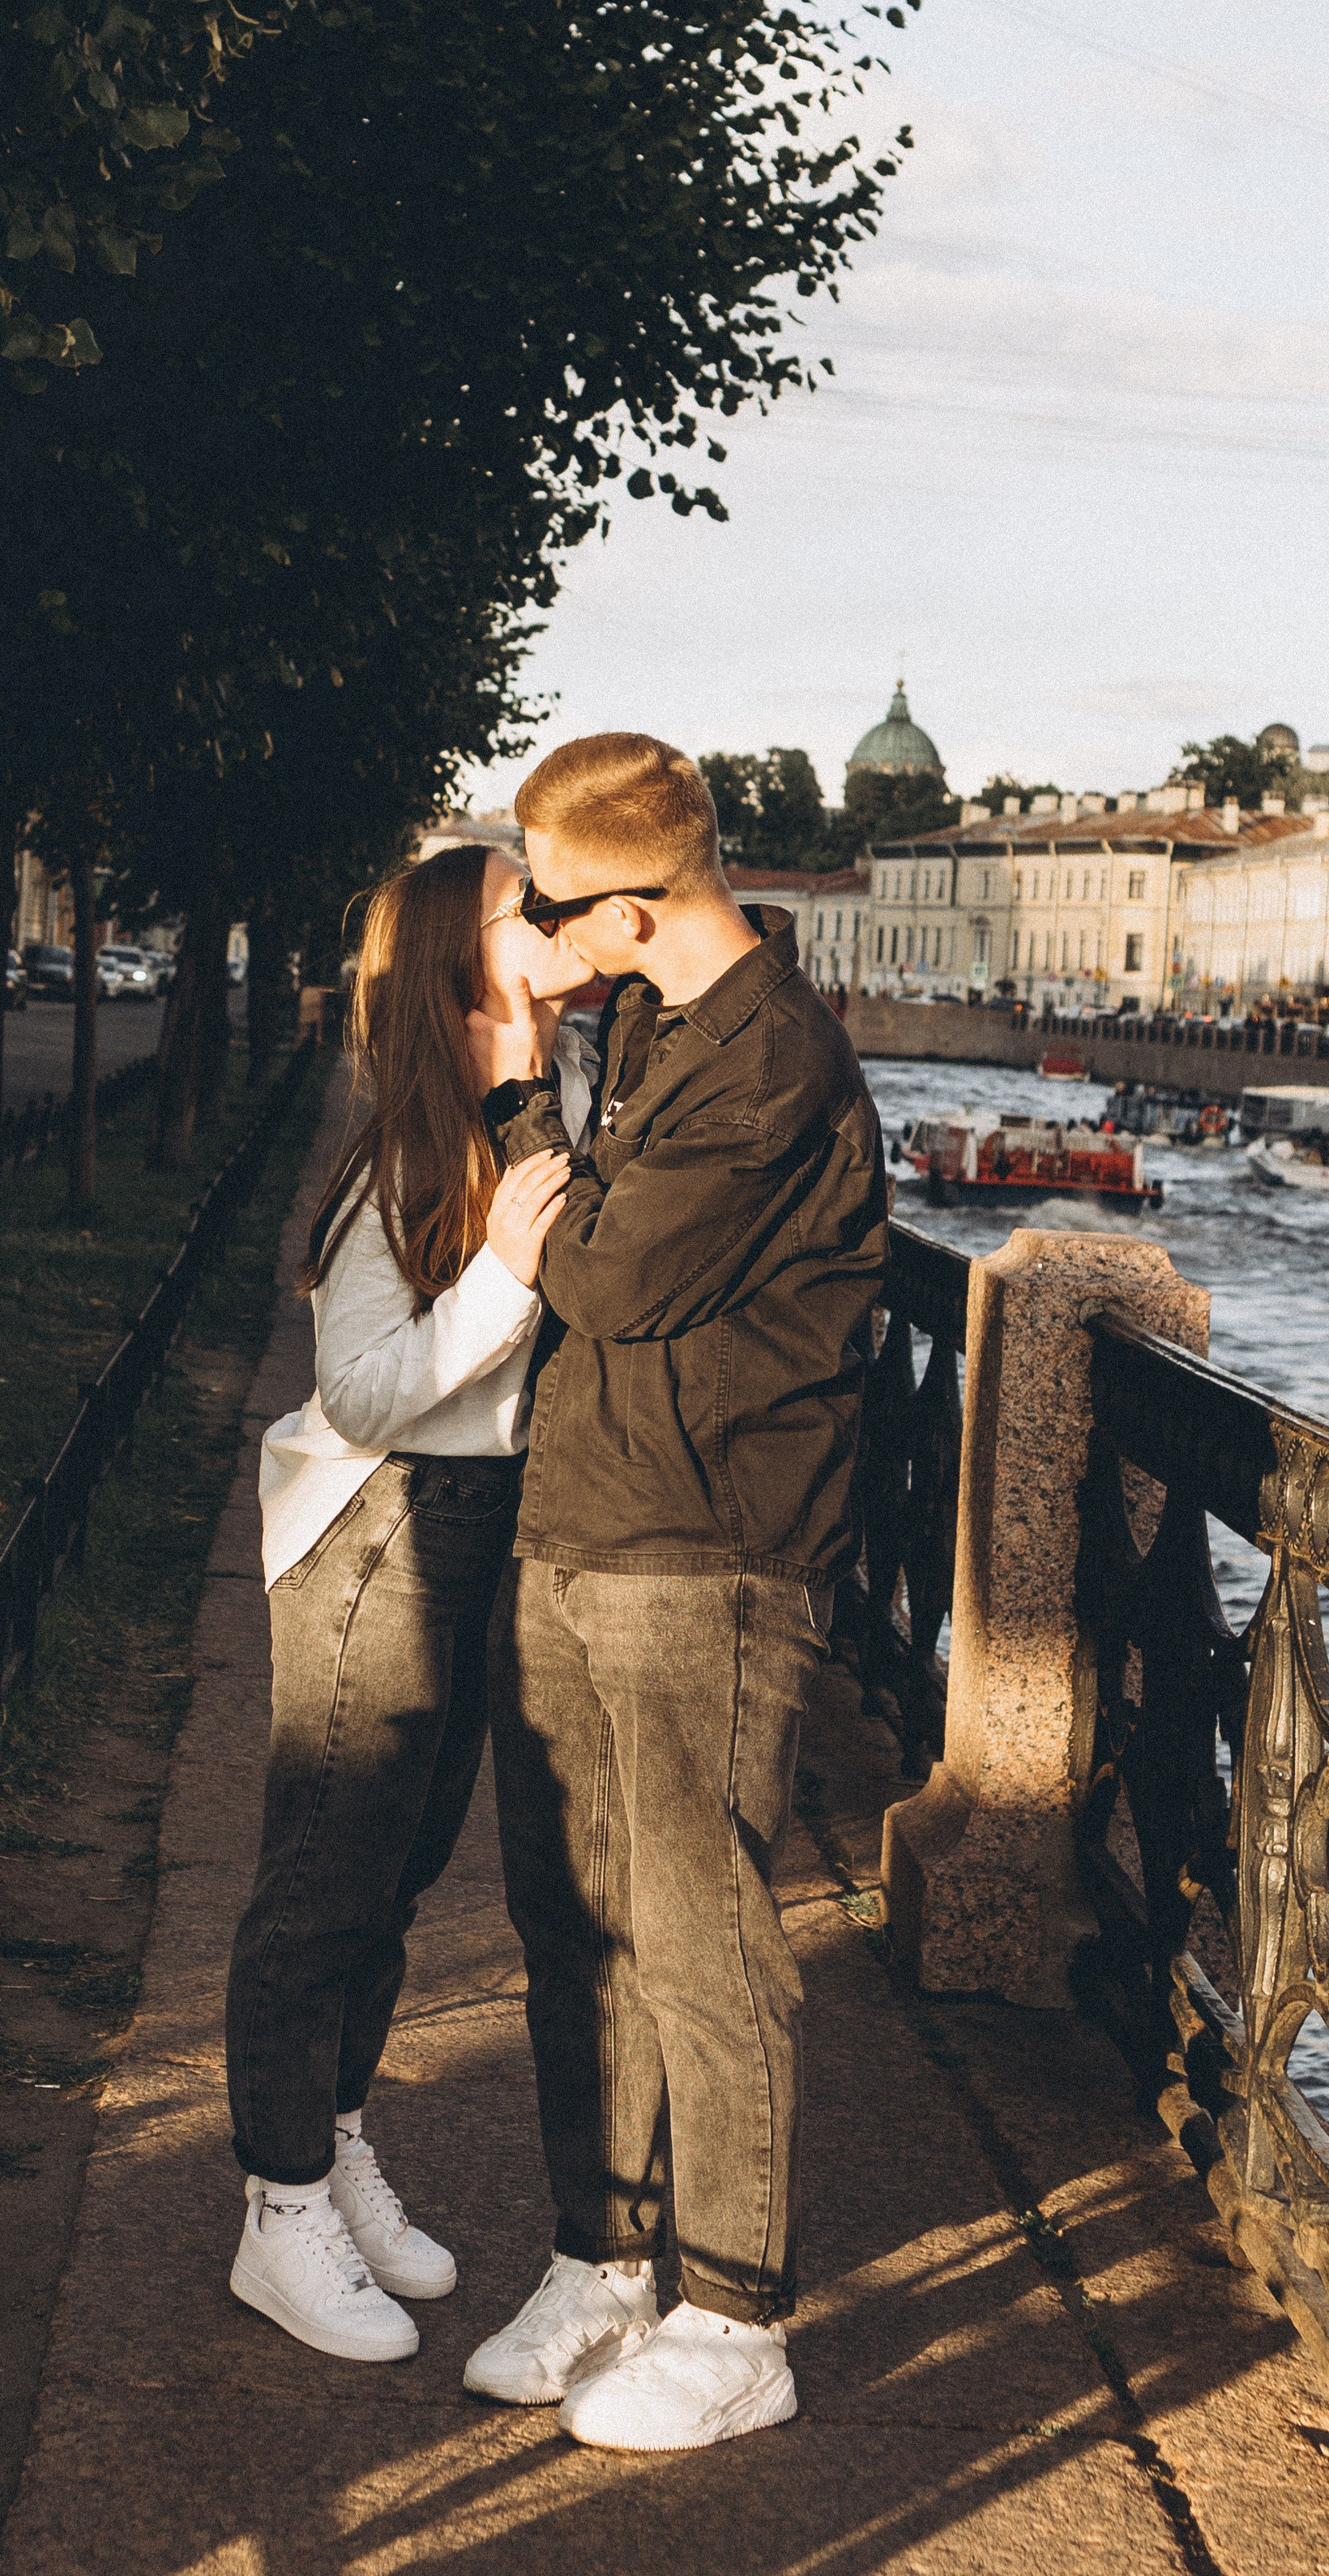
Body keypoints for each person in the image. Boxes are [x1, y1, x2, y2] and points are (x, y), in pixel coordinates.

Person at [461, 732, 887, 2453]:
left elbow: (614, 1275)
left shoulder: (774, 1060)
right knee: (571, 1918)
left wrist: (510, 1117)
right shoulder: (645, 1022)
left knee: (701, 1939)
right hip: (579, 1514)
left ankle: (735, 2314)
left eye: (552, 903)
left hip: (707, 1548)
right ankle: (605, 2260)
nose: (534, 928)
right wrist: (542, 1067)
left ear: (634, 903)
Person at [224, 843, 593, 2363]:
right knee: (324, 1877)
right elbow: (365, 1391)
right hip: (378, 1526)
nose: (564, 928)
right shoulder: (400, 1163)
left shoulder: (547, 1110)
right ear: (465, 961)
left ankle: (337, 2137)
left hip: (480, 1524)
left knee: (399, 1874)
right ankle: (278, 2206)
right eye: (534, 911)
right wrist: (507, 1275)